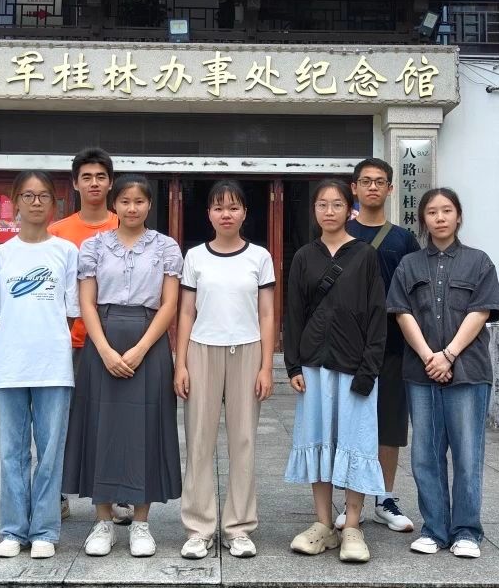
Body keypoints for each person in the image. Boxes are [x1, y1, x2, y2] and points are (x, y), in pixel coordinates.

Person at [62, 174, 183, 558]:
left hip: (150, 340)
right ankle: (102, 521)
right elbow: (86, 301)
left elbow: (169, 303)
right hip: (103, 338)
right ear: (114, 204)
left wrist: (142, 348)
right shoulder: (95, 246)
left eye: (139, 201)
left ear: (149, 205)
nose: (132, 208)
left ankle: (142, 523)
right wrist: (104, 349)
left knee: (146, 427)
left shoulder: (165, 247)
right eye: (125, 201)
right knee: (101, 427)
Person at [386, 188, 499, 559]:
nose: (440, 217)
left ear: (458, 216)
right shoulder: (409, 265)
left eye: (447, 210)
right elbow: (402, 313)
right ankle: (434, 530)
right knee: (425, 453)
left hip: (469, 371)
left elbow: (480, 311)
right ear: (422, 219)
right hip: (421, 372)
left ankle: (467, 531)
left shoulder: (478, 262)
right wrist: (429, 357)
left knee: (467, 454)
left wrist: (449, 355)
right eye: (432, 212)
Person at [283, 178, 387, 563]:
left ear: (350, 209)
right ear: (314, 210)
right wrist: (293, 364)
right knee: (319, 441)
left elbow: (377, 314)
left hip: (355, 365)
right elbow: (293, 314)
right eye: (322, 205)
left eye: (337, 204)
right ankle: (324, 524)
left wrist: (369, 368)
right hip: (313, 366)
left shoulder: (365, 255)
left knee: (356, 443)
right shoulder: (304, 257)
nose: (329, 211)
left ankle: (353, 525)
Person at [174, 180, 277, 560]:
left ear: (245, 213)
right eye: (219, 208)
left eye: (233, 207)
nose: (226, 214)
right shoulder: (195, 257)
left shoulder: (259, 257)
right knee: (199, 441)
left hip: (247, 350)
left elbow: (267, 314)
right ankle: (198, 528)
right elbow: (186, 312)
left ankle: (238, 528)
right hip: (202, 350)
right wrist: (180, 363)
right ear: (209, 214)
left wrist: (266, 366)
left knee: (243, 441)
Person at [0, 171, 80, 560]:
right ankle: (13, 529)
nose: (36, 202)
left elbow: (71, 311)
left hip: (54, 365)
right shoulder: (0, 256)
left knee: (50, 451)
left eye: (43, 196)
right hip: (11, 365)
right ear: (15, 203)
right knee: (12, 451)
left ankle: (44, 529)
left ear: (54, 203)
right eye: (28, 195)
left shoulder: (66, 252)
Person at [336, 158, 420, 534]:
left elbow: (414, 293)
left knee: (389, 425)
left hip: (392, 346)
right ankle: (350, 500)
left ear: (390, 189)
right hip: (347, 347)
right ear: (354, 188)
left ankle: (384, 498)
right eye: (366, 181)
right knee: (350, 425)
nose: (372, 187)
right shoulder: (339, 233)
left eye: (380, 181)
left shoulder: (404, 240)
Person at [48, 147, 131, 524]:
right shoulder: (58, 232)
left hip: (115, 343)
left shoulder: (125, 224)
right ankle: (57, 492)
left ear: (111, 183)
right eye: (87, 177)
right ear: (75, 183)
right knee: (61, 419)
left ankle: (117, 493)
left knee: (114, 419)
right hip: (69, 342)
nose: (94, 183)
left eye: (101, 177)